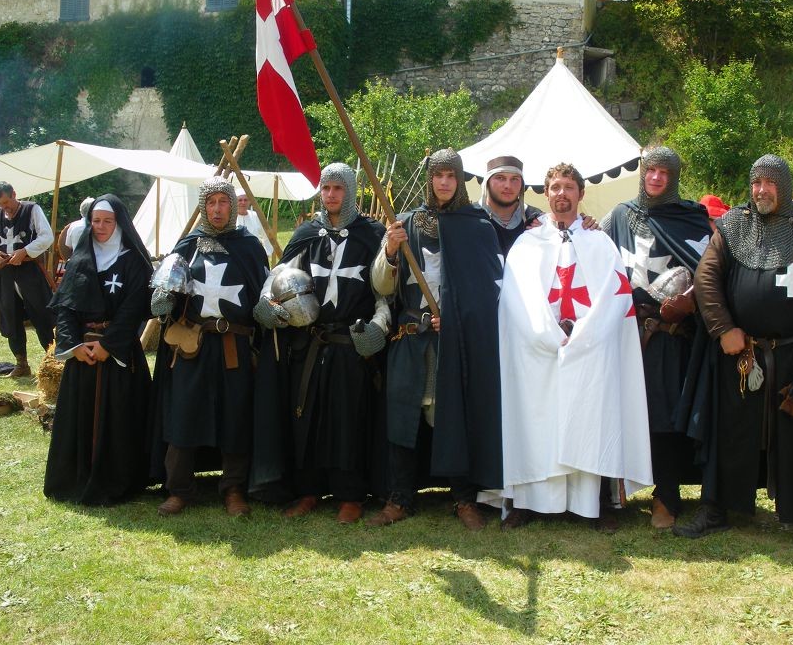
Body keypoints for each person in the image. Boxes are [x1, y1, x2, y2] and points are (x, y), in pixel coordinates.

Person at [675, 155, 793, 555]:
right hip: (742, 355)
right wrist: (723, 328)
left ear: (783, 187)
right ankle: (717, 507)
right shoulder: (734, 225)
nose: (761, 190)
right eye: (756, 183)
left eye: (769, 183)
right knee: (730, 431)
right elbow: (706, 277)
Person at [484, 163, 653, 530]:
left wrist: (581, 335)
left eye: (569, 187)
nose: (562, 193)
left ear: (581, 193)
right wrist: (547, 334)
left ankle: (592, 504)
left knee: (590, 420)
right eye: (555, 187)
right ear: (546, 194)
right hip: (538, 351)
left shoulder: (599, 242)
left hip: (589, 349)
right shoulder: (527, 243)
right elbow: (516, 298)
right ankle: (527, 503)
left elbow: (615, 296)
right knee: (536, 421)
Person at [369, 149, 503, 530]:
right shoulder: (405, 224)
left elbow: (487, 291)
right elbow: (381, 287)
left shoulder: (477, 225)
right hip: (411, 337)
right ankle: (399, 498)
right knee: (403, 417)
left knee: (453, 416)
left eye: (450, 176)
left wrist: (457, 319)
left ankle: (463, 498)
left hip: (451, 342)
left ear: (459, 180)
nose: (444, 183)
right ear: (429, 180)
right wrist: (390, 250)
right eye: (438, 176)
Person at [251, 163, 388, 523]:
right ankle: (308, 490)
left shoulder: (372, 234)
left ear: (350, 191)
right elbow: (278, 276)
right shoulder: (308, 233)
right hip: (310, 344)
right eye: (326, 188)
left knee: (348, 420)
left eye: (337, 188)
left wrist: (378, 329)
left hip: (350, 345)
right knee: (306, 418)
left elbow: (385, 294)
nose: (330, 195)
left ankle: (351, 495)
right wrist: (266, 302)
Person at [604, 146, 711, 528]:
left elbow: (710, 271)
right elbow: (595, 253)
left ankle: (666, 495)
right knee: (617, 410)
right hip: (624, 329)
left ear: (673, 177)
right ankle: (612, 494)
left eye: (664, 172)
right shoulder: (620, 216)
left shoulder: (691, 219)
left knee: (664, 417)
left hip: (667, 335)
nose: (655, 178)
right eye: (650, 170)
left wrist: (690, 301)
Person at [151, 177, 268, 517]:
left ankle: (233, 489)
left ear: (233, 206)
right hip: (194, 345)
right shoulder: (188, 246)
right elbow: (167, 295)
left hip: (235, 345)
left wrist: (267, 311)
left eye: (223, 202)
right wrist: (162, 300)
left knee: (235, 415)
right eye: (212, 202)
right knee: (184, 412)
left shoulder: (249, 246)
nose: (217, 209)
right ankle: (179, 489)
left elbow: (263, 292)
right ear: (204, 207)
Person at [43, 196, 154, 504]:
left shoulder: (133, 261)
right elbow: (65, 308)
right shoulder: (81, 259)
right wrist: (73, 346)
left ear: (119, 223)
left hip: (118, 353)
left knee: (120, 417)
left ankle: (120, 480)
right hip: (83, 355)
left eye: (108, 221)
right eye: (96, 221)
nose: (101, 227)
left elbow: (133, 307)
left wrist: (108, 344)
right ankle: (76, 478)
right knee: (80, 416)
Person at [0, 181, 55, 378]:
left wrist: (25, 251)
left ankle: (53, 362)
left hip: (30, 272)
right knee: (10, 317)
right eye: (0, 204)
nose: (4, 207)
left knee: (42, 315)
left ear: (14, 194)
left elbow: (47, 237)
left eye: (6, 202)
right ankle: (21, 364)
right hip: (6, 275)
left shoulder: (32, 210)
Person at [477, 155, 543, 255]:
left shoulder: (536, 219)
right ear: (487, 182)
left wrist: (546, 234)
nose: (508, 185)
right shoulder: (469, 217)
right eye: (500, 178)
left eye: (514, 179)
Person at [235, 189, 274, 259]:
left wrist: (267, 252)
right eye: (240, 200)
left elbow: (266, 234)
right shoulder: (230, 218)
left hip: (254, 255)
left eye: (245, 200)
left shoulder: (255, 215)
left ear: (249, 202)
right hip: (236, 256)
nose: (243, 202)